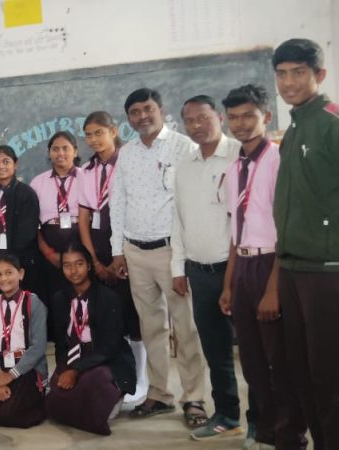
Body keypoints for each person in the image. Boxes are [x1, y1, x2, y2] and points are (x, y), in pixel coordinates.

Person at [109, 88, 208, 424]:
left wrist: (184, 256)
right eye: (134, 112)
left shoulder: (183, 147)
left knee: (186, 327)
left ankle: (194, 397)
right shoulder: (126, 154)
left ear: (160, 110)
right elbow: (117, 203)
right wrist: (117, 251)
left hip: (172, 251)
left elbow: (193, 202)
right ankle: (160, 394)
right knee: (151, 327)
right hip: (136, 251)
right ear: (128, 118)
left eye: (147, 109)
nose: (142, 116)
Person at [219, 84, 308, 450]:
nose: (240, 123)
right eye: (234, 117)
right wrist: (229, 284)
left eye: (248, 116)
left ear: (266, 117)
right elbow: (235, 231)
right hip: (243, 266)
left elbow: (287, 229)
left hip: (274, 264)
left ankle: (291, 438)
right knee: (253, 363)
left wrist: (273, 289)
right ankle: (268, 433)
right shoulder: (233, 168)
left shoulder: (278, 160)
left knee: (280, 362)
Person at [271, 38, 339, 449]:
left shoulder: (331, 123)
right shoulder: (295, 126)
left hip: (327, 271)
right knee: (304, 374)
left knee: (330, 376)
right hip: (294, 268)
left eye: (298, 72)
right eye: (281, 74)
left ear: (320, 75)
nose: (288, 82)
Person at [172, 95, 245, 439]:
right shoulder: (185, 165)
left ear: (219, 117)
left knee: (254, 352)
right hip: (199, 272)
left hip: (238, 269)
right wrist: (178, 267)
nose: (196, 126)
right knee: (216, 352)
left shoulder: (239, 155)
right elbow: (178, 219)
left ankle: (262, 421)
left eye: (203, 118)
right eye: (189, 121)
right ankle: (227, 417)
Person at [77, 111, 148, 408]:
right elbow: (83, 218)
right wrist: (94, 261)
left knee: (134, 316)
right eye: (88, 135)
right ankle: (117, 375)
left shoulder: (129, 161)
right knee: (107, 318)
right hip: (98, 250)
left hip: (127, 247)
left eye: (99, 133)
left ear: (113, 131)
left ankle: (141, 378)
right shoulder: (85, 170)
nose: (93, 139)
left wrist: (123, 255)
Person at [46, 243, 136, 436]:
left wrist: (76, 370)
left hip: (104, 357)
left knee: (94, 379)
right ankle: (87, 406)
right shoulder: (59, 298)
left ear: (88, 265)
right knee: (56, 391)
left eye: (79, 264)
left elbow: (111, 346)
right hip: (74, 355)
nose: (73, 271)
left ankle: (113, 396)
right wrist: (64, 367)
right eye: (67, 265)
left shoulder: (108, 297)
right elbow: (60, 342)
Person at [0, 252, 47, 428]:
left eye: (9, 272)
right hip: (0, 366)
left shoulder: (34, 303)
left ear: (20, 274)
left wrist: (11, 375)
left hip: (26, 366)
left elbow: (38, 347)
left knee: (15, 413)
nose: (4, 279)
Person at [0, 145, 42, 299]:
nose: (1, 166)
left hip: (20, 262)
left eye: (6, 161)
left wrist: (10, 264)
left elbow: (27, 233)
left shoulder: (26, 193)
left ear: (15, 164)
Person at [31, 131, 82, 304]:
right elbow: (33, 224)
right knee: (55, 298)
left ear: (75, 151)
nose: (60, 153)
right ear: (49, 153)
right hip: (50, 244)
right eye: (55, 149)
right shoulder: (38, 182)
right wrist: (48, 252)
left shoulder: (87, 177)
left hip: (81, 238)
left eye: (65, 148)